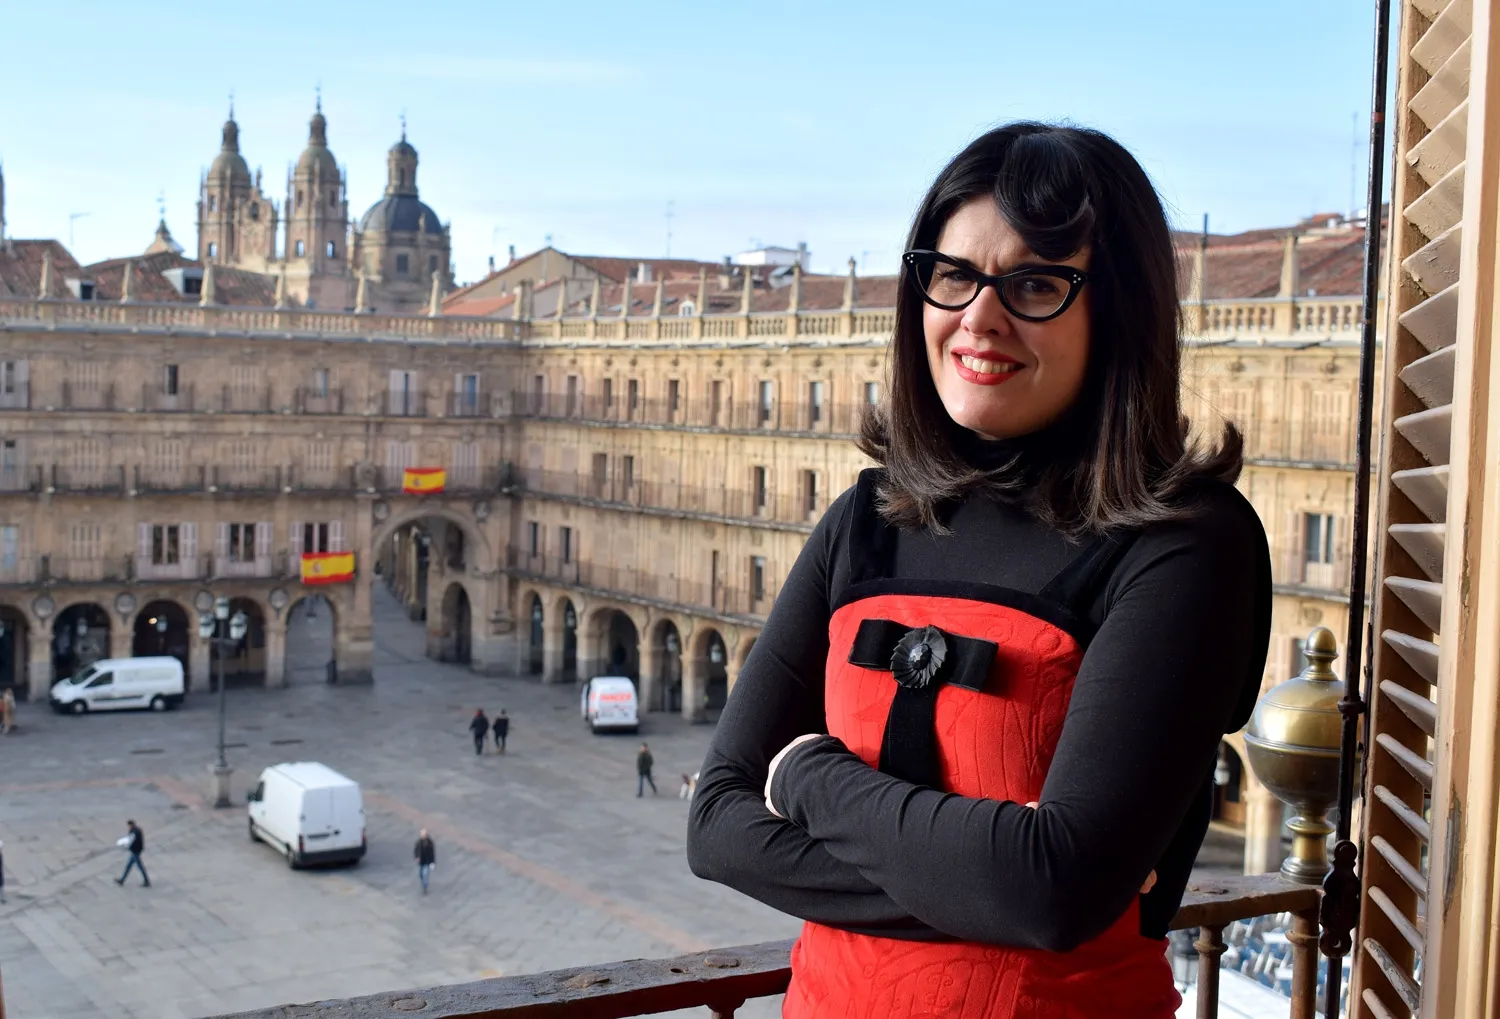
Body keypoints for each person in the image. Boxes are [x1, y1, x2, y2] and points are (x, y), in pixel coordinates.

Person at [686, 123, 1271, 1019]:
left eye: (1036, 283)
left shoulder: (1188, 546)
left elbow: (1053, 890)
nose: (979, 316)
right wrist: (988, 883)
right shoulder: (865, 520)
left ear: (1115, 309)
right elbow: (718, 825)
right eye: (954, 274)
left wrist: (807, 776)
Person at [116, 820, 149, 888]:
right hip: (136, 851)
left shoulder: (134, 832)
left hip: (135, 852)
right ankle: (122, 880)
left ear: (130, 825)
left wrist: (127, 846)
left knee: (140, 867)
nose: (128, 827)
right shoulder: (137, 830)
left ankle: (146, 881)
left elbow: (131, 841)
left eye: (128, 826)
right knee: (129, 866)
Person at [414, 829, 436, 894]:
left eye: (423, 834)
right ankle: (424, 883)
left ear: (426, 835)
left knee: (425, 874)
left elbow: (432, 853)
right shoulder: (418, 842)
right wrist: (417, 857)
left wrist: (432, 862)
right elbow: (416, 850)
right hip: (421, 861)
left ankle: (425, 887)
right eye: (421, 834)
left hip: (427, 861)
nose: (422, 836)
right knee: (421, 874)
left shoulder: (430, 843)